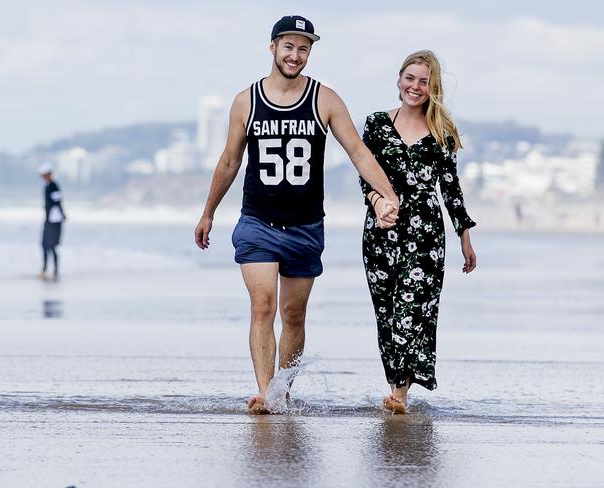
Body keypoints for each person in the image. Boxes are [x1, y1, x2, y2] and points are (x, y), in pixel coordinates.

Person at [194, 15, 400, 414]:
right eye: (288, 46)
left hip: (306, 225)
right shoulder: (246, 101)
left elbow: (357, 151)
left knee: (293, 314)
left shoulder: (324, 99)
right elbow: (231, 159)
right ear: (272, 48)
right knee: (262, 307)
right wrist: (208, 212)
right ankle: (267, 393)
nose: (295, 55)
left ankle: (284, 390)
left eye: (303, 48)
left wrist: (388, 194)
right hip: (257, 221)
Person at [359, 50, 477, 414]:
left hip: (425, 235)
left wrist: (465, 237)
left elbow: (450, 188)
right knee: (387, 314)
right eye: (410, 78)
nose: (415, 86)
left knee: (414, 310)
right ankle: (396, 387)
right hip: (380, 231)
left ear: (432, 87)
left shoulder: (442, 131)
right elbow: (365, 175)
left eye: (423, 81)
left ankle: (399, 395)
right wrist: (378, 202)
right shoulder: (376, 124)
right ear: (399, 80)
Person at [38, 162, 66, 280]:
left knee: (52, 246)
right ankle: (45, 269)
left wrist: (62, 215)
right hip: (49, 219)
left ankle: (55, 271)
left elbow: (58, 202)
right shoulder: (47, 186)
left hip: (54, 220)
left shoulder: (54, 186)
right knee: (44, 245)